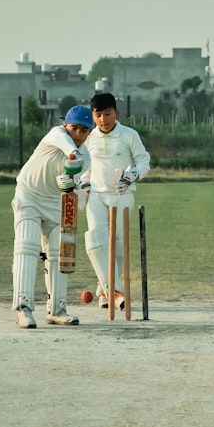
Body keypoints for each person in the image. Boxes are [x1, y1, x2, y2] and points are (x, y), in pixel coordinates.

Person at [11, 105, 94, 328]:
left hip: (55, 203)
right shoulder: (56, 135)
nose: (78, 134)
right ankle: (23, 308)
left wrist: (73, 186)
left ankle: (57, 310)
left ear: (89, 132)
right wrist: (72, 155)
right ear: (65, 125)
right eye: (74, 128)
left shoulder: (85, 157)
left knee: (58, 253)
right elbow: (68, 147)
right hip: (29, 195)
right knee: (27, 247)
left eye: (84, 130)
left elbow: (72, 187)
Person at [78, 92, 151, 309]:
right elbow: (84, 169)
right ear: (92, 115)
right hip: (97, 197)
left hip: (122, 194)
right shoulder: (89, 138)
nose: (103, 120)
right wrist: (83, 184)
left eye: (107, 114)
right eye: (98, 115)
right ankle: (116, 292)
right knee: (96, 242)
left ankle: (104, 293)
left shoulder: (129, 135)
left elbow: (143, 162)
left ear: (116, 113)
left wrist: (133, 175)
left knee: (118, 246)